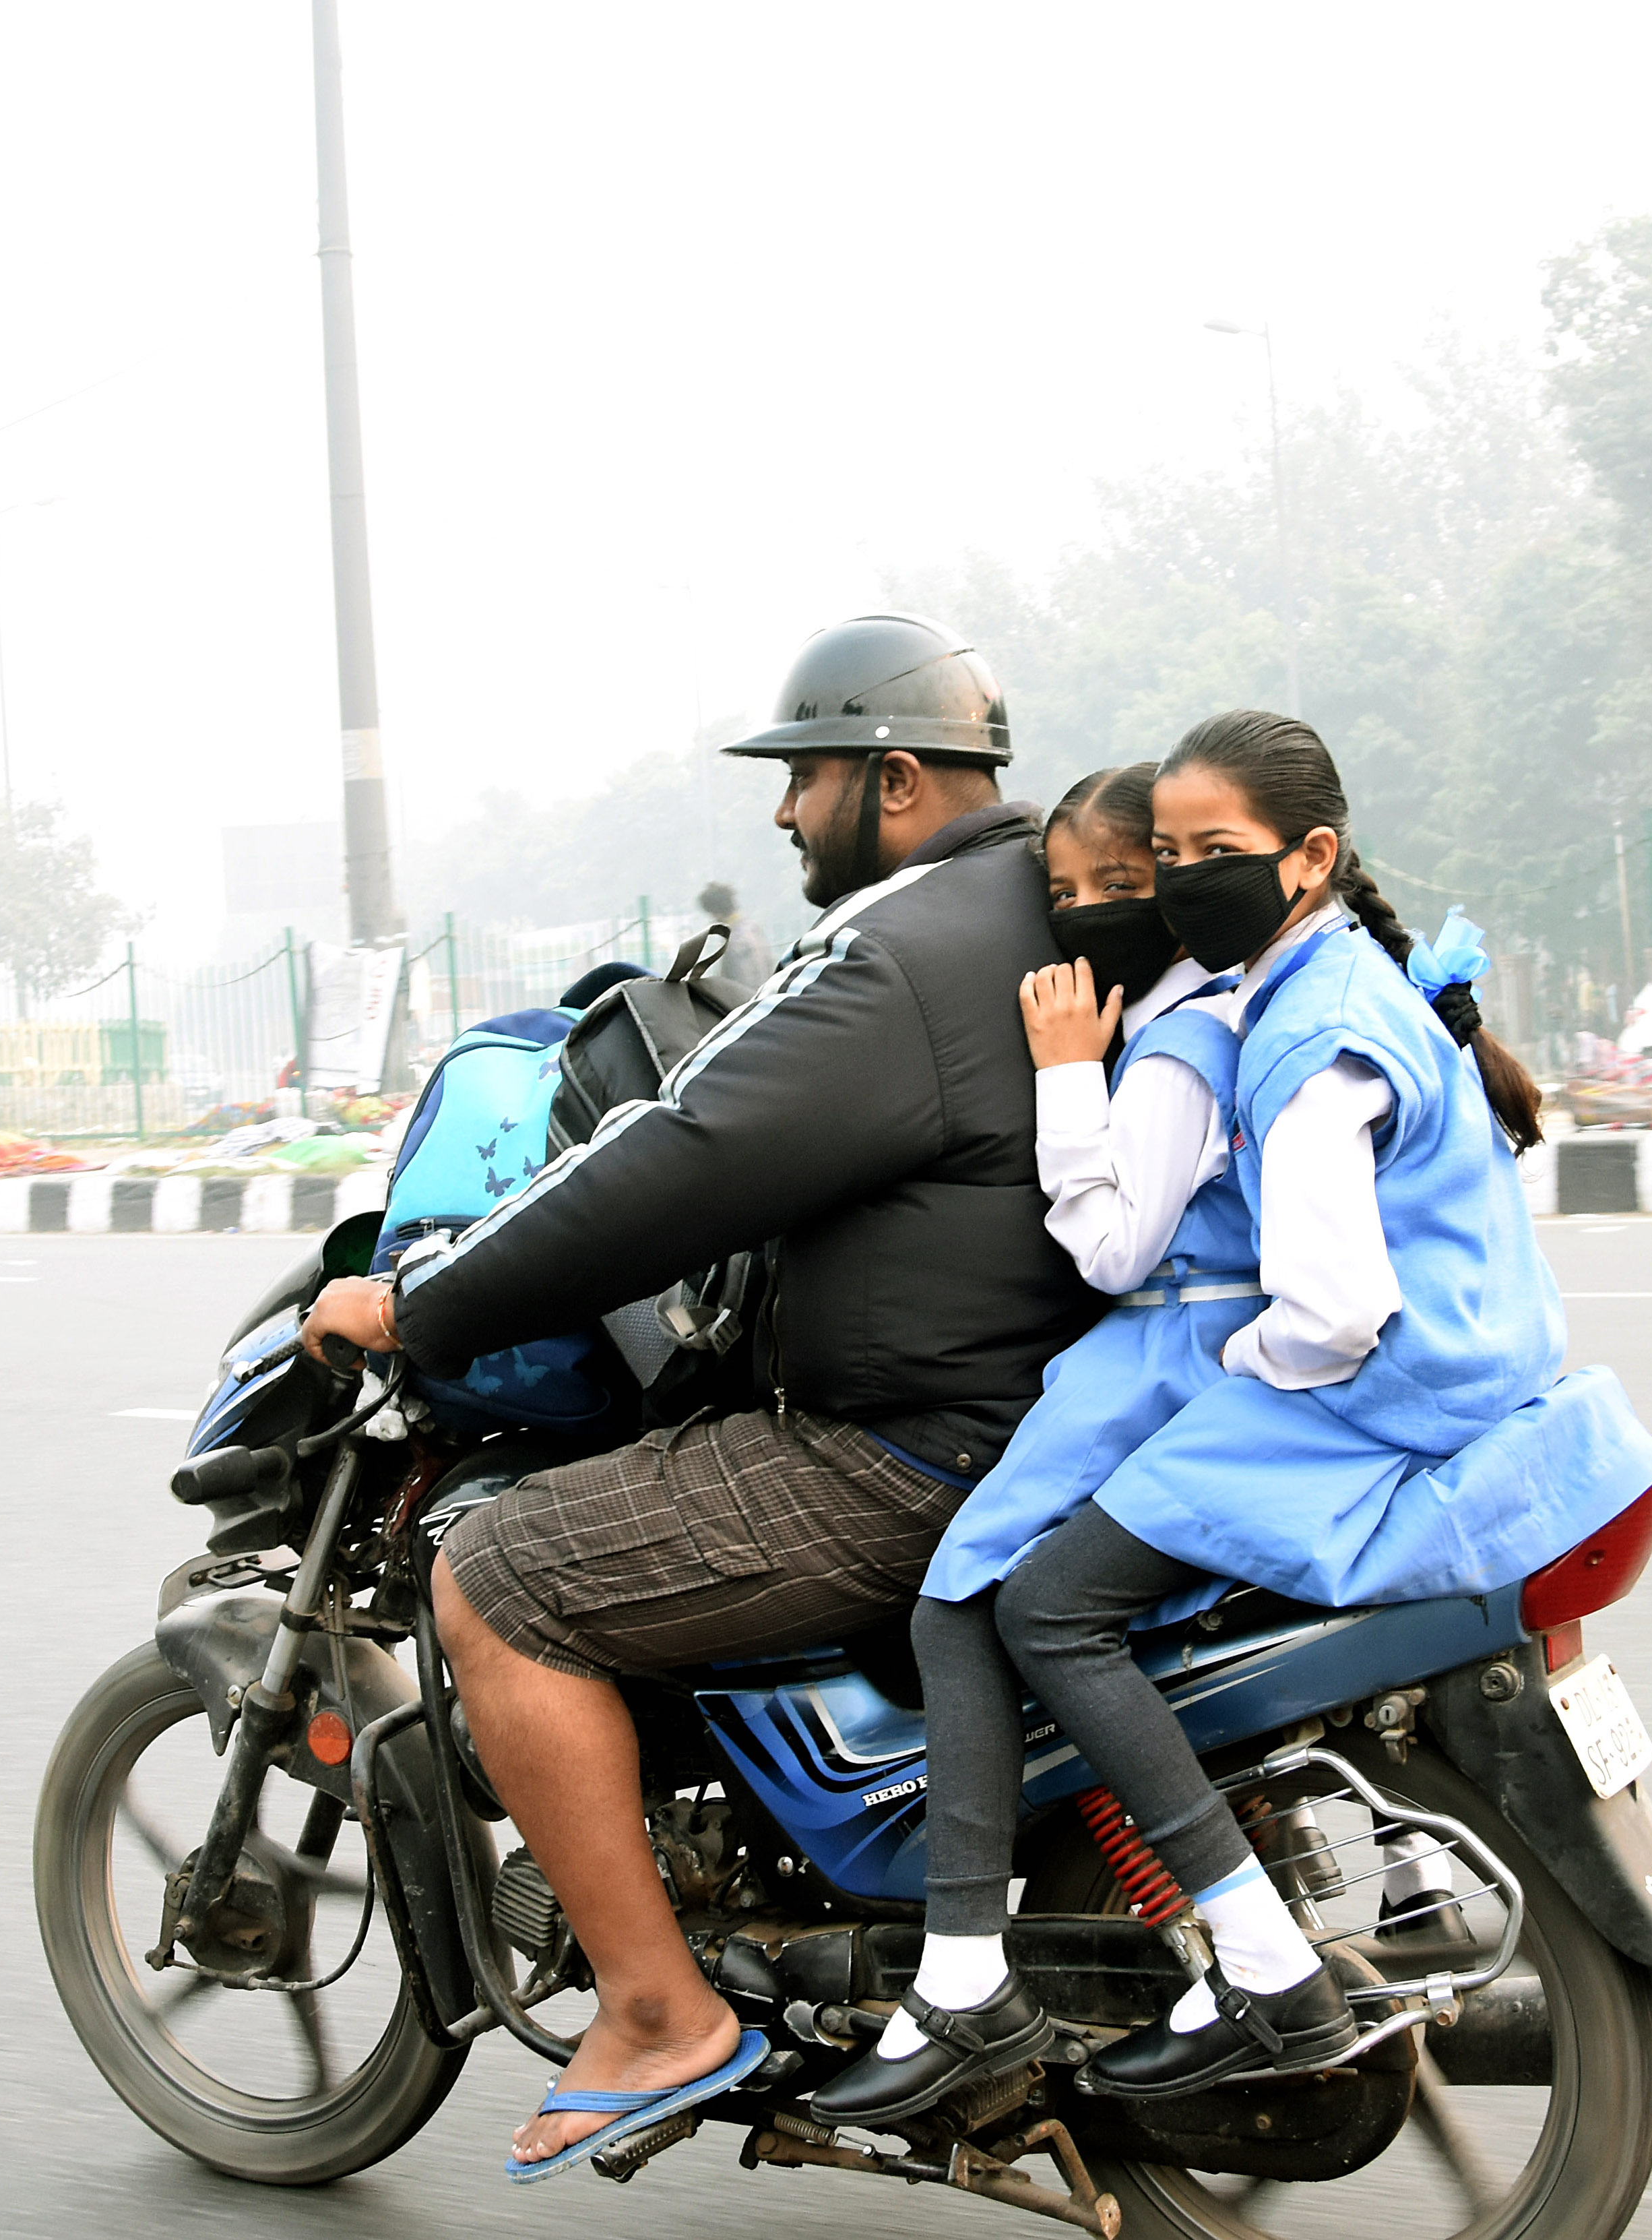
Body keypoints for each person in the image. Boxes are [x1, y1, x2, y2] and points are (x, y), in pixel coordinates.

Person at [296, 613, 1103, 2176]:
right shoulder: (1033, 904)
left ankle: (661, 2009)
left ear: (890, 777)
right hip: (1046, 1416)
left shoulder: (902, 958)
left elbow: (672, 1165)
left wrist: (423, 1298)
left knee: (502, 1576)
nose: (785, 812)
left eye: (804, 777)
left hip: (907, 1449)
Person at [813, 708, 1652, 2117]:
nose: (1169, 884)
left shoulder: (1282, 1039)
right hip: (1452, 1360)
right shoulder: (1306, 989)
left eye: (1209, 854)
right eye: (1160, 856)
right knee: (1017, 1599)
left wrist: (1217, 1392)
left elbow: (1318, 1308)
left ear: (1311, 857)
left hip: (1359, 1386)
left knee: (1031, 1608)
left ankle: (1206, 1964)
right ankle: (1029, 1961)